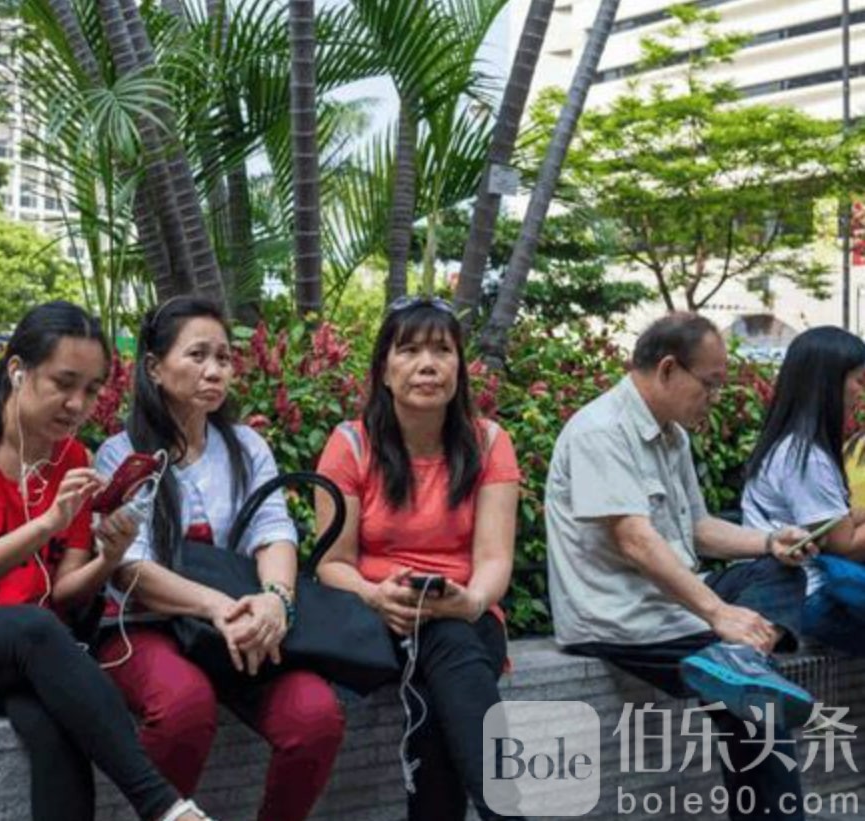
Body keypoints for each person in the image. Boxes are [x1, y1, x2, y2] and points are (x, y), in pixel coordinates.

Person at [0, 300, 211, 821]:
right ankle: (163, 807)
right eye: (63, 383)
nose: (77, 404)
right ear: (18, 371)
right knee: (37, 628)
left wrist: (109, 557)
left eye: (91, 390)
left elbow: (64, 590)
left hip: (30, 651)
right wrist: (44, 524)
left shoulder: (74, 460)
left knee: (54, 729)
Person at [545, 312, 815, 820]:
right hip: (623, 620)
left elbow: (697, 527)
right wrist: (718, 613)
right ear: (668, 369)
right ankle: (741, 666)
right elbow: (635, 541)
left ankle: (741, 663)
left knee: (777, 570)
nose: (714, 398)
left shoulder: (673, 435)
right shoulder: (600, 432)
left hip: (677, 606)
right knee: (756, 710)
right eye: (710, 385)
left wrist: (769, 541)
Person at [93, 297, 344, 821]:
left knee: (314, 716)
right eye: (198, 355)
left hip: (239, 624)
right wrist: (218, 608)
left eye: (224, 358)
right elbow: (128, 568)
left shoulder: (246, 446)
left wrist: (276, 602)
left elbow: (273, 531)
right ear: (155, 368)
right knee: (183, 709)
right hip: (146, 628)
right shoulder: (122, 455)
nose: (214, 371)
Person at [314, 296, 524, 821]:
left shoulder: (491, 443)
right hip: (379, 615)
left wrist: (470, 600)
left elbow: (495, 558)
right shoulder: (351, 446)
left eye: (441, 350)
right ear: (384, 369)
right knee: (444, 651)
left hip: (470, 614)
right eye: (408, 350)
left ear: (459, 367)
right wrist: (374, 595)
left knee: (442, 665)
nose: (427, 364)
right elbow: (331, 563)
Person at [742, 327, 865, 655]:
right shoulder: (804, 456)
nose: (860, 392)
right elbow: (845, 545)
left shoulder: (798, 447)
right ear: (828, 384)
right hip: (812, 598)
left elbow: (838, 522)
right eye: (858, 380)